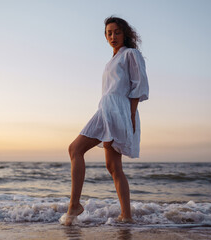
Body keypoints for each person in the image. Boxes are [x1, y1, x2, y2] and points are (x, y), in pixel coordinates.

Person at [63, 16, 149, 226]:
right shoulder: (112, 60)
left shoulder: (131, 54)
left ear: (125, 33)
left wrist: (129, 117)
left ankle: (75, 205)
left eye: (117, 32)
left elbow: (139, 86)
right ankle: (126, 216)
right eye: (109, 33)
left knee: (75, 149)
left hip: (118, 111)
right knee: (113, 166)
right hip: (106, 109)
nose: (113, 36)